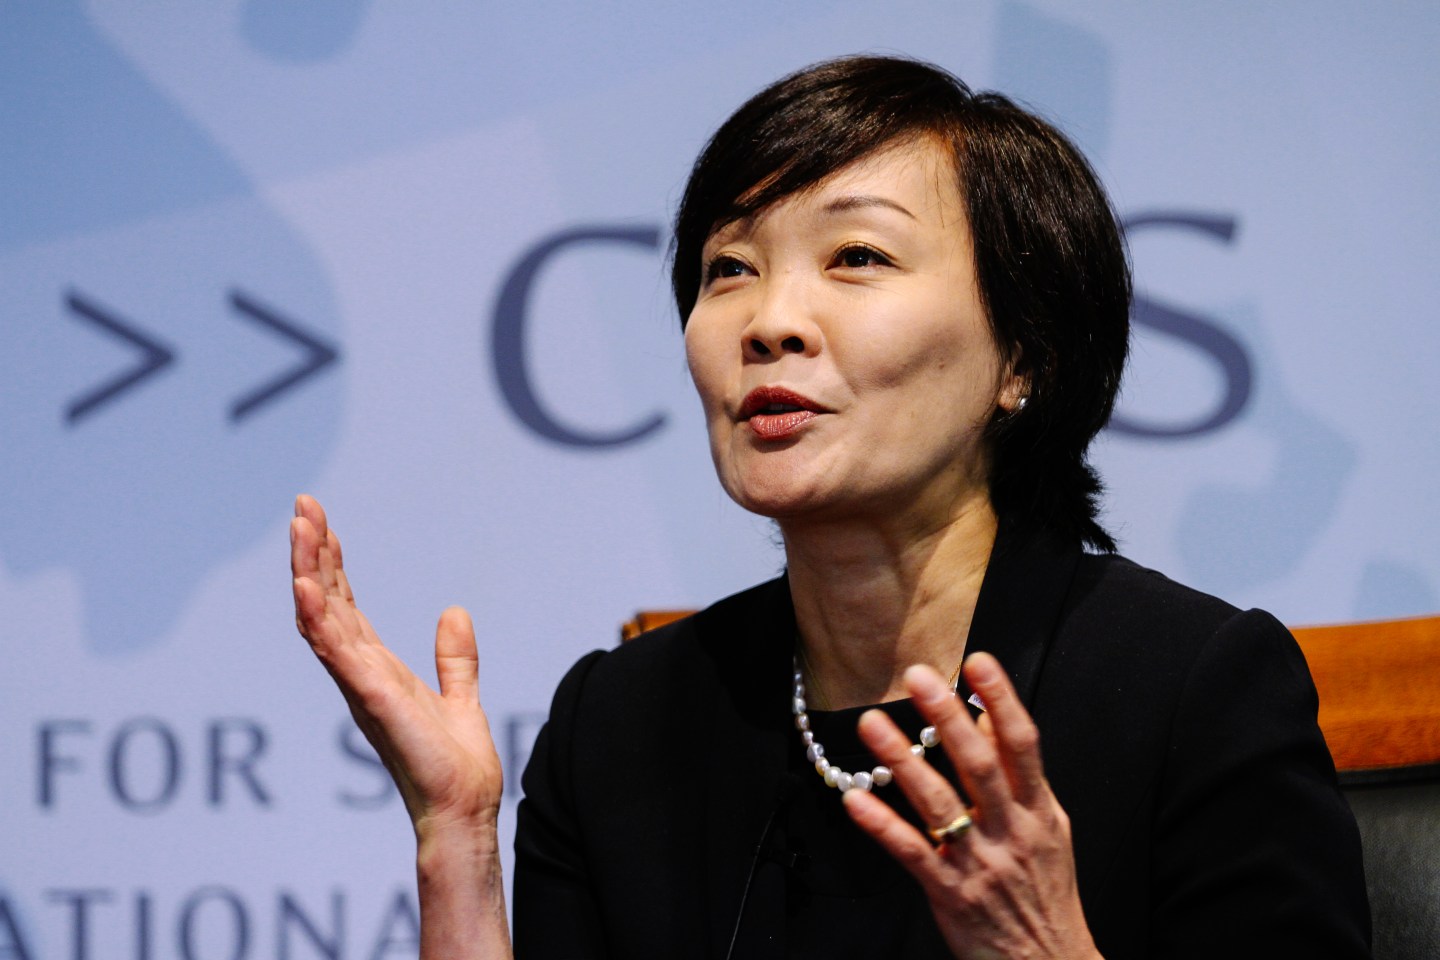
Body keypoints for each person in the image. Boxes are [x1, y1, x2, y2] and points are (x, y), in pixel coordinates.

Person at [290, 55, 1371, 959]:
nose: (770, 320)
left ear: (1021, 359)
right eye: (730, 269)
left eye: (856, 256)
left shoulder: (1190, 691)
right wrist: (456, 843)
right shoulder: (620, 728)